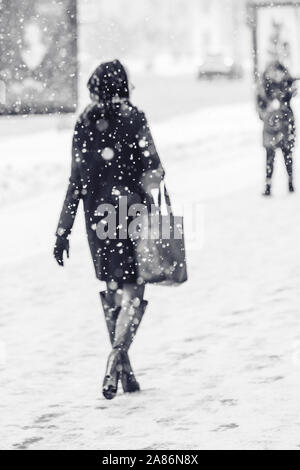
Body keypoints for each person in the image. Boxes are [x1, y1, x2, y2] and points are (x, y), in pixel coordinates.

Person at [54, 60, 164, 400]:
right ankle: (117, 355)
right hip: (132, 216)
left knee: (115, 291)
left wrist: (62, 230)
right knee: (135, 290)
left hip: (98, 222)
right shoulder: (134, 118)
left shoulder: (84, 122)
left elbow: (76, 181)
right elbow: (154, 168)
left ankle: (124, 372)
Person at [256, 60, 297, 196]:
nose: (275, 74)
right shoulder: (264, 88)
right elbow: (259, 107)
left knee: (287, 156)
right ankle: (268, 186)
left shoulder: (285, 86)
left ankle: (290, 183)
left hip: (285, 126)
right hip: (270, 127)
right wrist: (265, 114)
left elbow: (291, 93)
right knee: (269, 157)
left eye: (277, 71)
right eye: (272, 71)